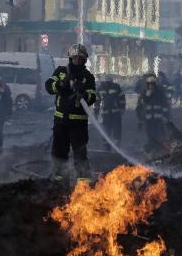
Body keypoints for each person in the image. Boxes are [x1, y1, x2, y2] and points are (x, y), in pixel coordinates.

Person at [44, 43, 97, 180]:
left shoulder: (88, 77)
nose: (77, 61)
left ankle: (84, 180)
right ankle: (59, 178)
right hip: (61, 120)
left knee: (80, 152)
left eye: (80, 59)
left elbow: (92, 97)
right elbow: (49, 86)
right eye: (75, 58)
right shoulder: (61, 71)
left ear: (84, 60)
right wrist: (61, 84)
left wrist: (84, 94)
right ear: (70, 58)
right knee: (59, 151)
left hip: (78, 123)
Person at [136, 74, 172, 155]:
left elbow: (165, 105)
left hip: (158, 119)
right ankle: (152, 149)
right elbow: (140, 107)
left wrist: (166, 117)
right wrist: (140, 120)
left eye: (152, 84)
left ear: (155, 84)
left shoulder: (160, 93)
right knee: (150, 135)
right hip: (148, 119)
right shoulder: (144, 93)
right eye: (149, 84)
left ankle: (160, 149)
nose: (151, 86)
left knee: (160, 134)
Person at [95, 75, 126, 143]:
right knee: (106, 129)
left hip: (116, 113)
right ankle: (106, 145)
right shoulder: (100, 89)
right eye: (105, 82)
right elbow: (97, 102)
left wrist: (122, 108)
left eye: (108, 82)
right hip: (105, 114)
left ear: (110, 82)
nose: (106, 83)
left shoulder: (116, 87)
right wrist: (96, 112)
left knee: (116, 129)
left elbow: (122, 98)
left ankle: (117, 144)